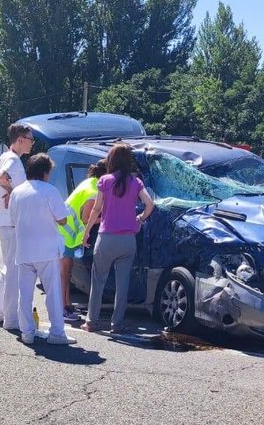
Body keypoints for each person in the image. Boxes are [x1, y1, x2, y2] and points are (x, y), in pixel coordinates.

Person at [81, 143, 155, 334]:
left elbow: (97, 209)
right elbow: (149, 204)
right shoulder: (136, 182)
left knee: (98, 281)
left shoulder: (105, 181)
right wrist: (140, 218)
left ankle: (92, 322)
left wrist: (87, 231)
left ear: (111, 160)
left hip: (106, 238)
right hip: (128, 240)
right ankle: (117, 324)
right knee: (123, 284)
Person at [9, 154, 77, 346]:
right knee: (53, 294)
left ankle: (27, 333)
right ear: (45, 172)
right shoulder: (50, 191)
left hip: (23, 250)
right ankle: (57, 333)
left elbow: (13, 221)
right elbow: (62, 219)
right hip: (46, 251)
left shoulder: (17, 192)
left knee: (25, 294)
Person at [0, 124, 34, 330]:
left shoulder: (3, 158)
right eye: (30, 139)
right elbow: (0, 180)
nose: (32, 143)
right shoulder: (14, 160)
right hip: (10, 221)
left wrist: (4, 195)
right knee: (13, 269)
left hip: (2, 220)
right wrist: (12, 192)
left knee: (8, 266)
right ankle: (10, 317)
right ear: (20, 140)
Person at [58, 159, 108, 322]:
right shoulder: (94, 192)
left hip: (65, 234)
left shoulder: (90, 183)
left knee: (66, 273)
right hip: (64, 235)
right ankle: (62, 309)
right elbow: (87, 218)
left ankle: (67, 304)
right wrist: (106, 218)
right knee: (64, 274)